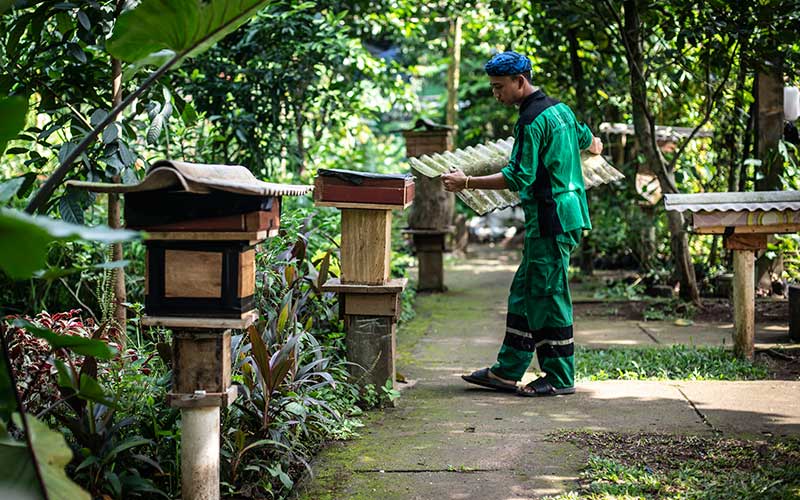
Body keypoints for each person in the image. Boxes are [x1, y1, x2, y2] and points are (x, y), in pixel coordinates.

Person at [441, 50, 603, 397]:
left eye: (500, 87)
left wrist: (465, 182)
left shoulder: (530, 120)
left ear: (520, 81)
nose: (496, 94)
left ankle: (560, 377)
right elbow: (589, 140)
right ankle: (507, 371)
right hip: (563, 214)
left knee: (548, 294)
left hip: (551, 219)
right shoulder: (560, 109)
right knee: (523, 292)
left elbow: (518, 176)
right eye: (493, 88)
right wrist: (593, 146)